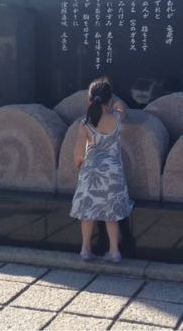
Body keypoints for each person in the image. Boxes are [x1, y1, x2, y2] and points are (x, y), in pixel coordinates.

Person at [70, 77, 133, 262]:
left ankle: (85, 249)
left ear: (90, 100)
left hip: (91, 172)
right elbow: (123, 107)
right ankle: (114, 252)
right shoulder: (117, 118)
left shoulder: (85, 123)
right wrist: (114, 101)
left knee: (87, 214)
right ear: (109, 100)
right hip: (113, 173)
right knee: (111, 215)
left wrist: (80, 166)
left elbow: (78, 153)